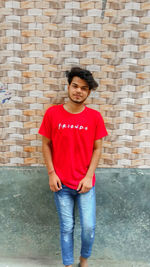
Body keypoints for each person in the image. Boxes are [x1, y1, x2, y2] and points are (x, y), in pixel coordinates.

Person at [38, 67, 108, 267]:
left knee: (88, 228)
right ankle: (68, 264)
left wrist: (88, 177)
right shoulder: (53, 114)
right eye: (75, 86)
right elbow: (45, 144)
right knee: (67, 227)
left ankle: (83, 261)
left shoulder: (94, 117)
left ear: (89, 92)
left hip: (85, 184)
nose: (78, 91)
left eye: (84, 88)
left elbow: (97, 148)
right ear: (68, 87)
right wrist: (51, 173)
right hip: (61, 184)